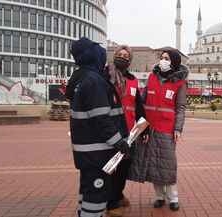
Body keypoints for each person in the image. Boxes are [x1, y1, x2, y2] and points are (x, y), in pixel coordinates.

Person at [66, 37, 130, 217]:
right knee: (96, 193)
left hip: (87, 150)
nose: (104, 55)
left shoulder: (83, 78)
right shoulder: (94, 81)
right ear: (92, 55)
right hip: (97, 152)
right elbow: (101, 118)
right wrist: (119, 142)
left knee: (87, 192)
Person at [128, 49, 188, 211]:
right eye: (162, 58)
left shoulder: (180, 82)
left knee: (167, 164)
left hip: (167, 129)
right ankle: (159, 196)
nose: (163, 61)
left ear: (174, 61)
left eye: (167, 58)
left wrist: (178, 128)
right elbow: (142, 100)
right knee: (153, 163)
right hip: (149, 128)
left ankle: (173, 198)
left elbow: (181, 107)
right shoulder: (152, 77)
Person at [105, 45, 146, 217]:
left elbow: (138, 106)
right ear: (114, 57)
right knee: (112, 166)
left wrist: (143, 130)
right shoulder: (107, 76)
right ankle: (111, 202)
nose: (122, 57)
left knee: (124, 166)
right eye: (119, 55)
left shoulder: (133, 80)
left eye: (125, 55)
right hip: (112, 129)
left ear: (130, 60)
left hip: (130, 131)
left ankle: (118, 194)